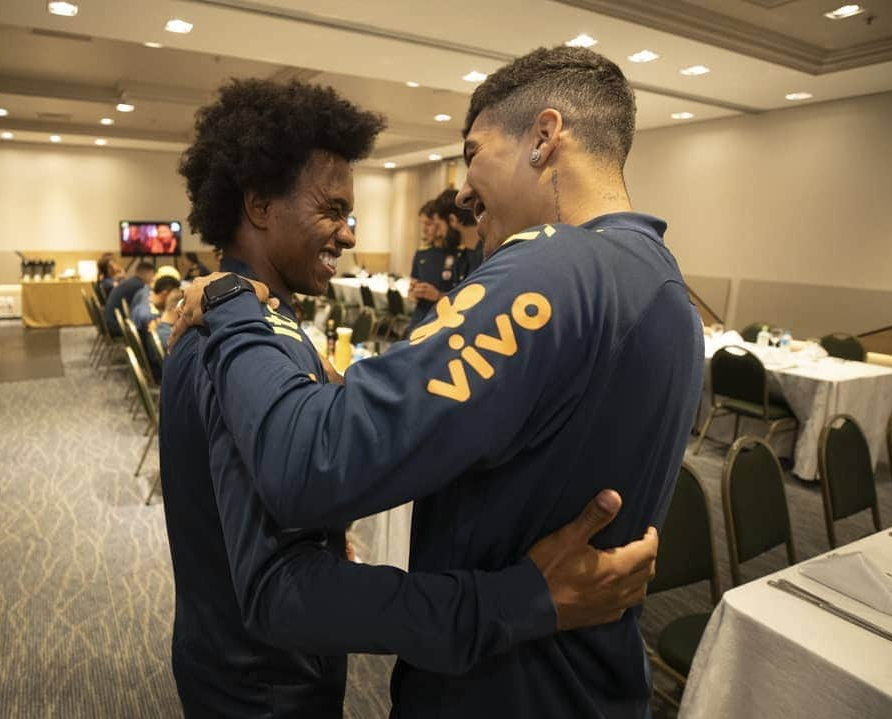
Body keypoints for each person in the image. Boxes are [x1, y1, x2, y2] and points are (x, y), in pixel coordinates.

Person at [174, 44, 704, 718]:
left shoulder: (552, 267)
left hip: (501, 686)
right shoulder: (664, 287)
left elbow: (312, 459)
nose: (459, 190)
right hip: (587, 682)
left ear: (544, 138)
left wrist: (230, 300)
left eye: (473, 151)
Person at [407, 198, 460, 332]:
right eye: (422, 224)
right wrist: (413, 292)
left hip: (444, 325)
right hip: (419, 321)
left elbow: (464, 300)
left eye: (428, 224)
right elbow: (411, 292)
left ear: (440, 223)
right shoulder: (421, 254)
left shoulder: (458, 255)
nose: (424, 230)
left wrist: (437, 295)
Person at [434, 188, 484, 282]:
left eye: (439, 226)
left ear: (452, 220)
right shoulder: (461, 257)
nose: (439, 234)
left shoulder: (490, 252)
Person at [103, 261, 155, 337]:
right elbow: (141, 312)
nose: (152, 278)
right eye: (152, 275)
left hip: (111, 322)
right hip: (116, 327)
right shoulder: (139, 287)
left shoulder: (132, 282)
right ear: (148, 273)